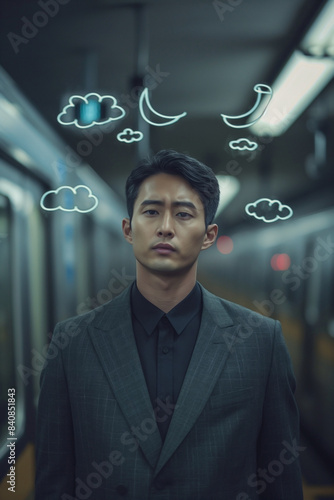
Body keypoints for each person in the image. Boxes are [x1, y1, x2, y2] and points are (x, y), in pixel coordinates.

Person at [35, 149, 304, 500]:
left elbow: (280, 480)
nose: (165, 227)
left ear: (208, 235)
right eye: (151, 211)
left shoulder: (260, 342)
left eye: (183, 214)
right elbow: (53, 481)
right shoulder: (71, 343)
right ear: (129, 230)